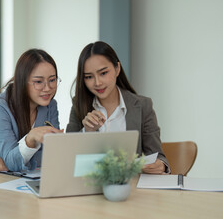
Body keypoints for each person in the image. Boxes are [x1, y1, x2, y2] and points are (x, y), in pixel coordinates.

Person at [66, 41, 169, 174]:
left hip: (129, 188)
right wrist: (87, 131)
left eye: (103, 73)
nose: (97, 83)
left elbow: (158, 156)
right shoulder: (79, 105)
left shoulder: (143, 106)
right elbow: (67, 156)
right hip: (89, 186)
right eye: (89, 77)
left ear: (117, 69)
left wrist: (161, 165)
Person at [0, 49, 63, 174]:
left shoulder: (50, 105)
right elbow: (15, 161)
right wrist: (30, 139)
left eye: (52, 80)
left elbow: (53, 152)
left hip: (25, 176)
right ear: (22, 82)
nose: (48, 88)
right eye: (38, 82)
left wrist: (9, 163)